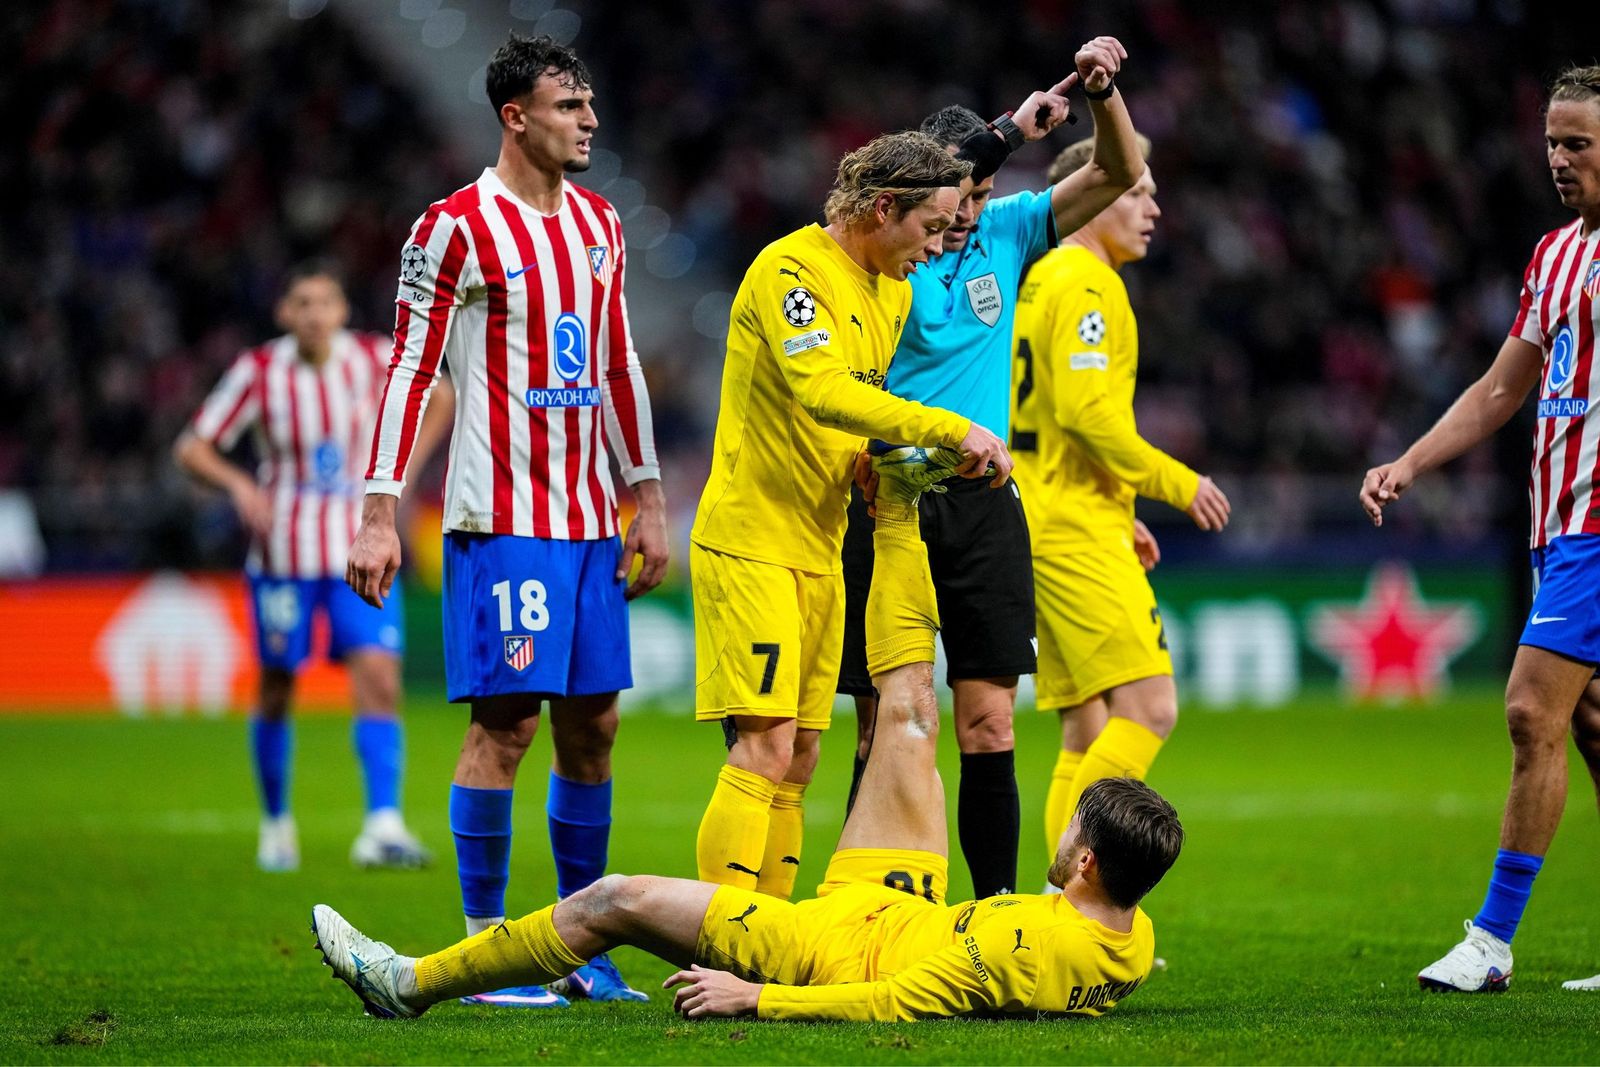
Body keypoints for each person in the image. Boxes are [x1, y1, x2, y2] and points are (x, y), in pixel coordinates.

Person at [311, 449, 1184, 1022]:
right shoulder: (1131, 944)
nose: (1063, 829)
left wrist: (757, 996)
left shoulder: (1016, 947)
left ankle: (407, 982)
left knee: (611, 898)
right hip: (910, 902)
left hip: (831, 948)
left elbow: (894, 1001)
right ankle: (897, 512)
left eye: (1076, 826)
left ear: (1087, 864)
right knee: (911, 714)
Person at [346, 33, 668, 1007]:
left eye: (591, 103)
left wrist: (645, 494)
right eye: (570, 105)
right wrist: (376, 511)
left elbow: (616, 364)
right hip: (503, 514)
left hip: (586, 519)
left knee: (596, 726)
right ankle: (486, 945)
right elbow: (410, 369)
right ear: (515, 116)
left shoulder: (602, 225)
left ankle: (580, 944)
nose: (591, 121)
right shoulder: (452, 228)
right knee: (508, 722)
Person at [837, 37, 1145, 899]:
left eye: (978, 196)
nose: (968, 212)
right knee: (883, 725)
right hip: (887, 499)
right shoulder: (876, 247)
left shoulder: (1009, 229)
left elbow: (1116, 172)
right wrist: (1013, 126)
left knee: (987, 721)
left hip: (982, 505)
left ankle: (996, 908)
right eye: (957, 194)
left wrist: (1101, 95)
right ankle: (866, 902)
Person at [687, 124, 1028, 905]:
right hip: (752, 541)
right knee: (764, 747)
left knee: (803, 752)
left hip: (821, 536)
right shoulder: (791, 271)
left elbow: (837, 422)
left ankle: (765, 935)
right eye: (933, 227)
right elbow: (822, 389)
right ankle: (717, 936)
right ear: (882, 208)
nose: (940, 248)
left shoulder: (895, 290)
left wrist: (868, 463)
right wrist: (947, 426)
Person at [1360, 65, 1600, 994]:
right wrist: (1411, 461)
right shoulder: (1554, 256)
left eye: (1578, 142)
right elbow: (1505, 387)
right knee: (1587, 722)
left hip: (1596, 525)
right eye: (1552, 141)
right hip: (1557, 523)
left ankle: (1491, 939)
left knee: (1528, 710)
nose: (1559, 158)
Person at [175, 261, 446, 872]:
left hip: (359, 548)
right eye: (302, 303)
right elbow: (191, 446)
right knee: (277, 686)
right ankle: (276, 822)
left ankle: (382, 824)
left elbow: (443, 394)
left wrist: (403, 473)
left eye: (325, 302)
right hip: (283, 556)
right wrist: (240, 487)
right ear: (285, 314)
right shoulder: (260, 371)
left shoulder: (375, 358)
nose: (314, 314)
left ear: (343, 312)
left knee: (378, 674)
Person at [1009, 135, 1230, 878]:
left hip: (1051, 514)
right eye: (1137, 192)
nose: (1153, 207)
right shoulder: (1087, 284)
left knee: (1087, 727)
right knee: (1149, 707)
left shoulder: (1041, 278)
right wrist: (1175, 483)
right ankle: (1084, 895)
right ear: (1093, 195)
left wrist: (1118, 501)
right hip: (1071, 529)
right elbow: (1084, 413)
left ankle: (1058, 907)